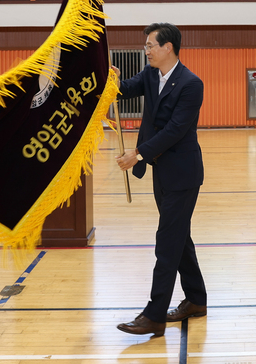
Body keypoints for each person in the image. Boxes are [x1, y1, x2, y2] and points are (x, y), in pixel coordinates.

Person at [112, 23, 206, 337]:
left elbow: (174, 131)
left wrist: (137, 154)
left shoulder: (191, 84)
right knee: (179, 238)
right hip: (161, 173)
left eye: (151, 45)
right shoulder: (151, 76)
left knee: (166, 243)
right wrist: (107, 79)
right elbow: (123, 90)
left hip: (183, 175)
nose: (146, 50)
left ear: (168, 48)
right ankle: (196, 299)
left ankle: (154, 315)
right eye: (146, 45)